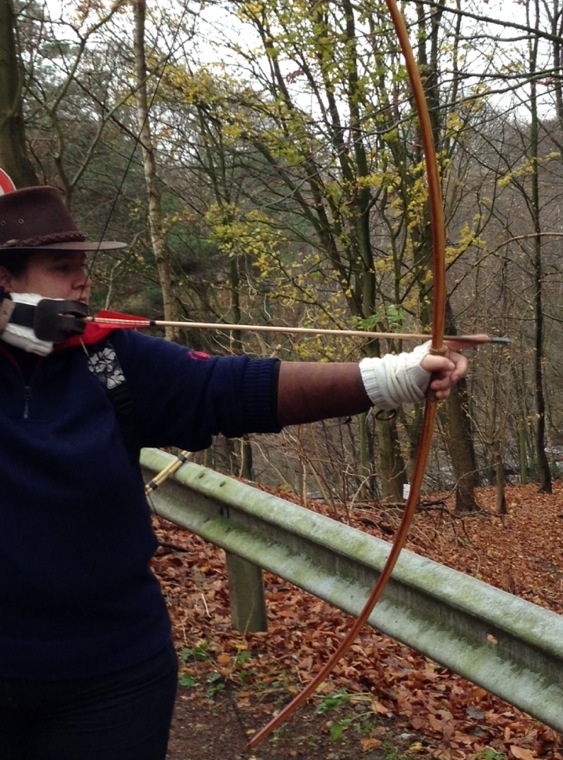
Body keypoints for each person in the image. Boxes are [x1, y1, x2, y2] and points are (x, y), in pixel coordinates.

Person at [0, 186, 468, 760]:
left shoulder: (110, 357)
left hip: (110, 673)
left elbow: (227, 387)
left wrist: (395, 377)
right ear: (5, 279)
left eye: (82, 265)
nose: (83, 282)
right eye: (61, 267)